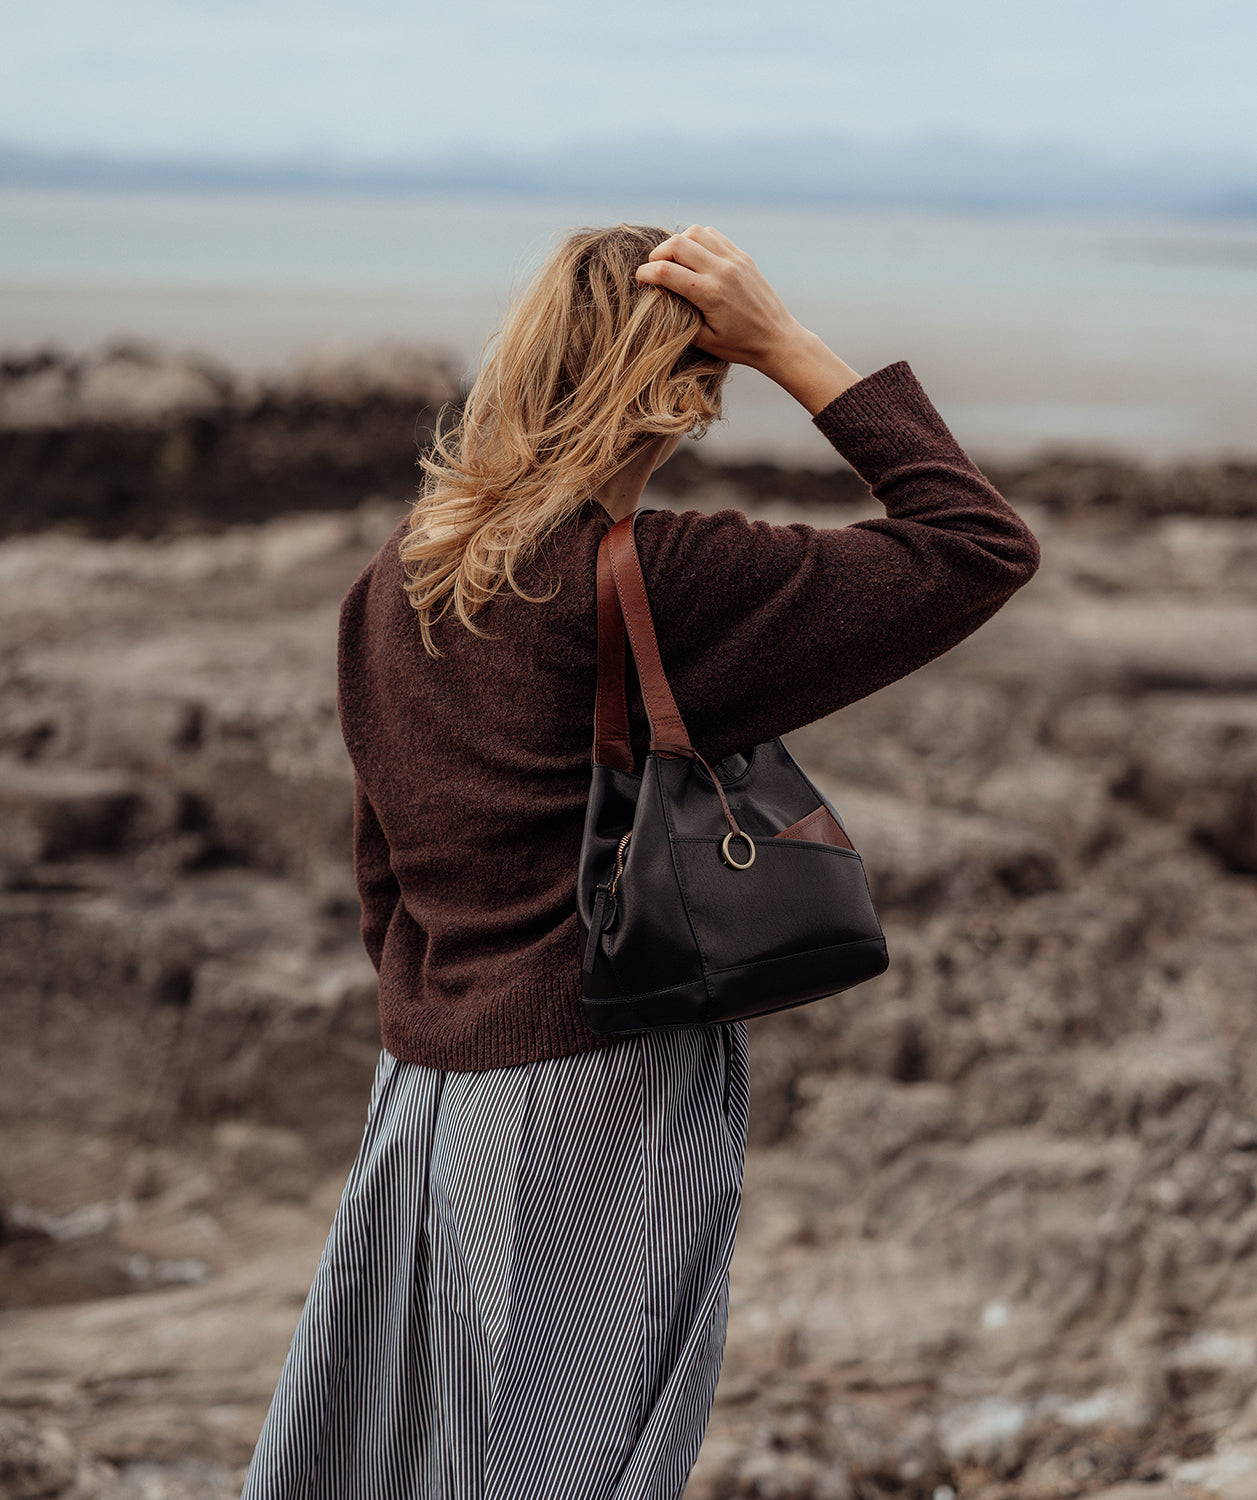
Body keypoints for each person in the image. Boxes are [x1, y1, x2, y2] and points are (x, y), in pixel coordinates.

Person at [240, 223, 1039, 1500]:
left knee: (394, 1460)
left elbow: (382, 876)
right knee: (577, 1468)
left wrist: (437, 1030)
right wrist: (792, 346)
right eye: (713, 379)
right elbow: (975, 545)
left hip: (424, 1097)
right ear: (682, 388)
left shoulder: (388, 586)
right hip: (594, 1087)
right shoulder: (651, 579)